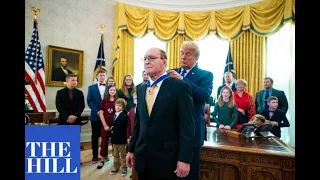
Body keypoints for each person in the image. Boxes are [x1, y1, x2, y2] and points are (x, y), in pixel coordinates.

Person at [126, 47, 195, 180]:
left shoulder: (180, 87)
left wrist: (184, 159)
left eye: (151, 58)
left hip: (167, 159)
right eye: (145, 58)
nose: (147, 61)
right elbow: (138, 123)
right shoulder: (141, 89)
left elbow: (187, 127)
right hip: (143, 157)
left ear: (164, 62)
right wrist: (131, 149)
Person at [167, 41, 213, 180]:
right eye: (181, 53)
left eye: (188, 54)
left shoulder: (205, 75)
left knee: (189, 174)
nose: (183, 56)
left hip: (193, 130)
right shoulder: (170, 73)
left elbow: (203, 95)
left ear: (196, 58)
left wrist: (182, 79)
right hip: (171, 131)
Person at [87, 70, 107, 163]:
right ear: (97, 76)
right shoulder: (91, 88)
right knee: (95, 136)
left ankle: (104, 154)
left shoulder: (109, 87)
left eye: (104, 75)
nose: (102, 77)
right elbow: (89, 101)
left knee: (105, 136)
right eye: (101, 75)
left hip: (107, 117)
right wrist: (97, 111)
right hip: (95, 116)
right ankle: (95, 155)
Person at [97, 85, 117, 169]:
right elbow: (101, 113)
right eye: (111, 90)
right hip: (105, 125)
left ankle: (116, 160)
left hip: (115, 125)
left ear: (116, 91)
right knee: (104, 142)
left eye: (114, 90)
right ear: (108, 91)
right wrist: (105, 125)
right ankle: (102, 159)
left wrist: (114, 126)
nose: (112, 91)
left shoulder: (118, 100)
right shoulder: (104, 101)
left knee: (115, 143)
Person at [110, 98, 129, 177]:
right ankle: (116, 167)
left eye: (120, 106)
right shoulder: (114, 115)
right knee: (115, 154)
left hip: (121, 139)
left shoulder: (124, 116)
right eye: (116, 105)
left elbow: (125, 128)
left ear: (123, 107)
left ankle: (124, 168)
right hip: (114, 139)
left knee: (123, 155)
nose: (117, 107)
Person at [126, 93, 137, 179]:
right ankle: (133, 172)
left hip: (141, 137)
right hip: (132, 137)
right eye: (135, 98)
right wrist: (128, 136)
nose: (136, 99)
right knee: (132, 155)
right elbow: (129, 125)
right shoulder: (131, 111)